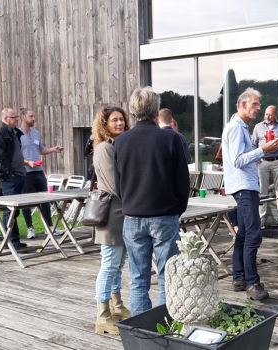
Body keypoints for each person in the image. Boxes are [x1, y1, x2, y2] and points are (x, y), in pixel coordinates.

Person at [114, 86, 190, 316]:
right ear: (156, 110)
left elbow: (119, 183)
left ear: (134, 110)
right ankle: (165, 329)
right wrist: (178, 209)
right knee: (168, 277)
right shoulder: (171, 139)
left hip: (133, 216)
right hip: (164, 215)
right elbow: (183, 182)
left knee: (138, 279)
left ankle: (142, 332)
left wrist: (130, 203)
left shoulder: (121, 141)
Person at [222, 88, 278, 301]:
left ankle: (239, 277)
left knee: (245, 233)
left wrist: (256, 156)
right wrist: (262, 150)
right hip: (244, 187)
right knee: (253, 234)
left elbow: (238, 159)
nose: (258, 108)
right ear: (243, 104)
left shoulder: (239, 127)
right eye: (255, 104)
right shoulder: (237, 128)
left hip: (243, 186)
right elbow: (238, 160)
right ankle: (252, 283)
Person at [91, 106, 131, 335]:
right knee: (109, 265)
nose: (120, 123)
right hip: (112, 214)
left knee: (117, 264)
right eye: (114, 120)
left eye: (122, 120)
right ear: (104, 124)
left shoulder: (116, 145)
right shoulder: (105, 148)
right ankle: (102, 316)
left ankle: (117, 306)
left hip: (122, 213)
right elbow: (115, 185)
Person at [18, 108, 63, 239]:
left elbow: (41, 150)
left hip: (38, 171)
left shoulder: (36, 133)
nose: (34, 119)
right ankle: (30, 228)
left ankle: (49, 227)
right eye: (31, 116)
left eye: (34, 116)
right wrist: (27, 163)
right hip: (25, 172)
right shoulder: (17, 134)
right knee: (26, 201)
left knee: (45, 199)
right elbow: (16, 156)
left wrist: (53, 149)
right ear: (23, 117)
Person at [0, 108, 27, 250]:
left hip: (19, 175)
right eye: (14, 117)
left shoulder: (15, 133)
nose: (17, 119)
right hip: (9, 177)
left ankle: (12, 240)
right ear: (5, 119)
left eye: (17, 117)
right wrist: (9, 173)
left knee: (14, 209)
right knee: (10, 209)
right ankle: (11, 241)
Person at [252, 105, 278, 232]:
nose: (267, 117)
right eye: (266, 114)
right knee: (262, 193)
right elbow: (253, 144)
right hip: (263, 162)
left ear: (275, 115)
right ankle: (261, 221)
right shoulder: (258, 127)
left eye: (270, 114)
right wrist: (256, 157)